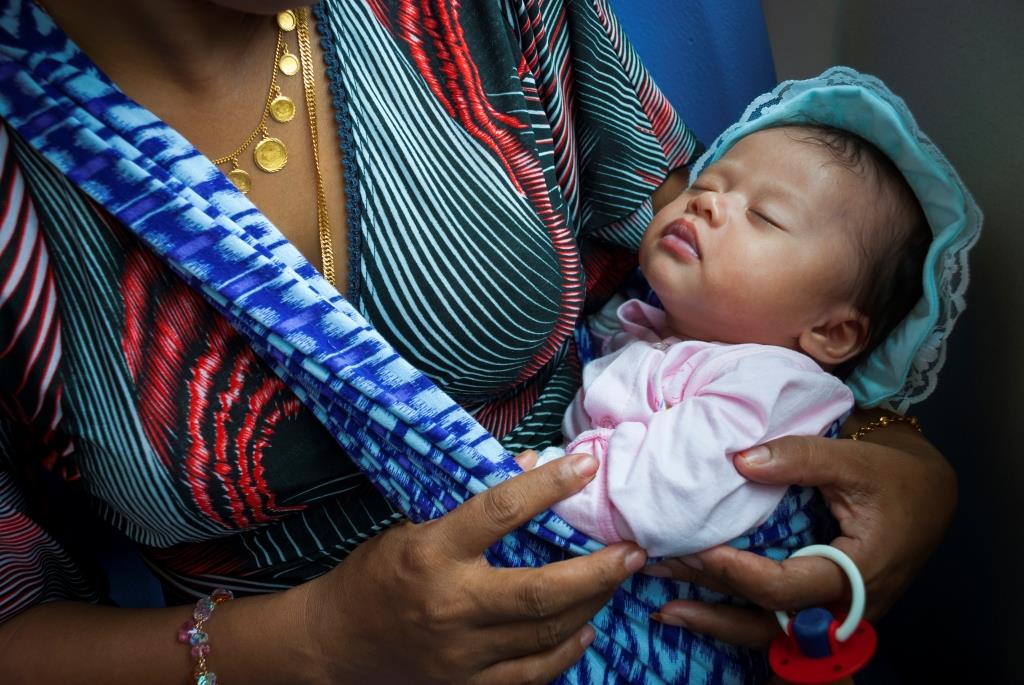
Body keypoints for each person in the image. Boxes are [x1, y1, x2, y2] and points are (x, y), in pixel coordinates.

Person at [0, 2, 966, 684]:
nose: (716, 204)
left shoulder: (487, 15)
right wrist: (310, 647)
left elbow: (747, 301)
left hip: (627, 596)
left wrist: (899, 455)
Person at [536, 123, 930, 558]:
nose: (706, 202)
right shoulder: (637, 325)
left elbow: (656, 501)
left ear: (830, 332)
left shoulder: (770, 385)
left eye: (764, 216)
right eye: (705, 184)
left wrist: (538, 476)